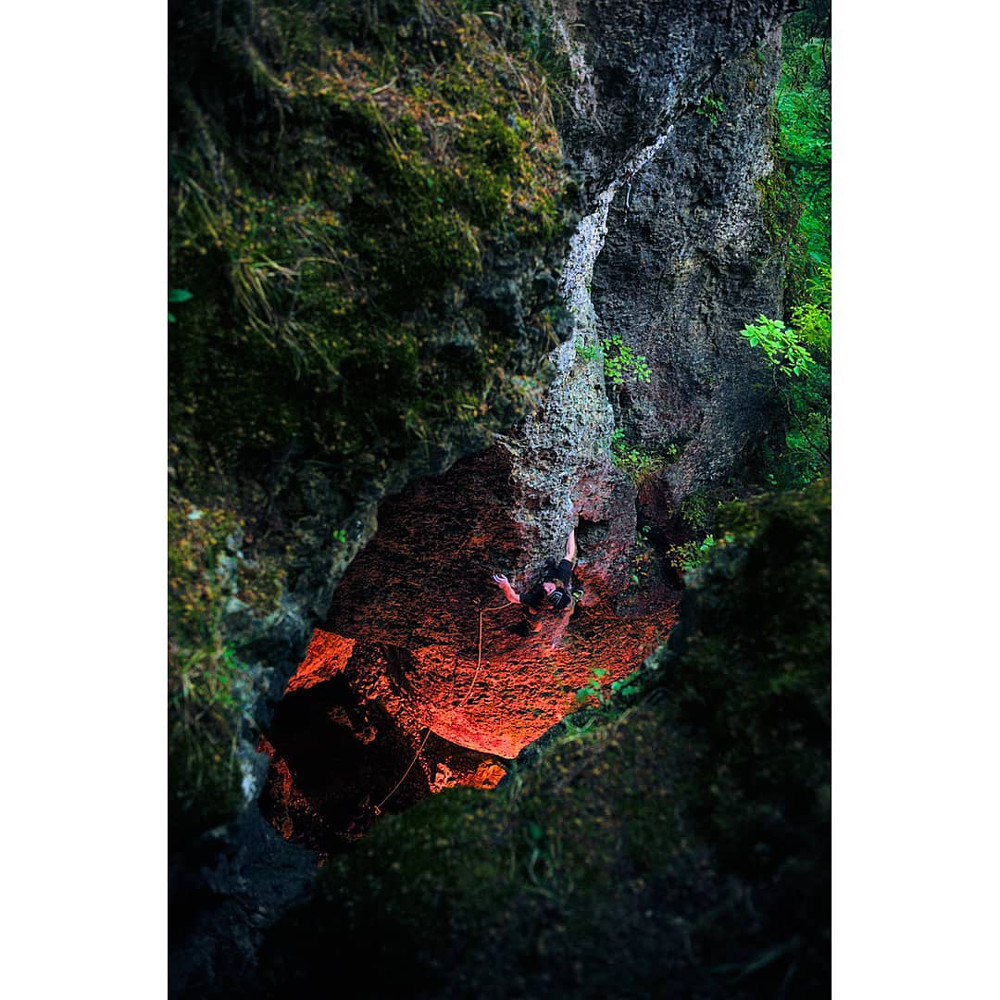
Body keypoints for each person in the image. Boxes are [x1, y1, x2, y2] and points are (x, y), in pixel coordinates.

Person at [492, 529, 577, 621]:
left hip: (541, 607)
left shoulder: (539, 600)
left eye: (547, 593)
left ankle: (534, 621)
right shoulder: (562, 577)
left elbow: (513, 598)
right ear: (557, 585)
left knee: (533, 612)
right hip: (551, 579)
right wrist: (571, 529)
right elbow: (569, 554)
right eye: (550, 589)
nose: (546, 588)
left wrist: (506, 586)